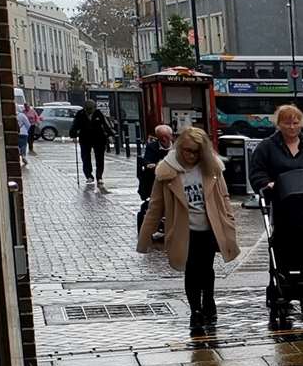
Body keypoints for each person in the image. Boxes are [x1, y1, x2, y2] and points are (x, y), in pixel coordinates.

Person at [136, 126, 239, 331]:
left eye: (196, 152)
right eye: (188, 150)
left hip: (210, 228)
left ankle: (209, 301)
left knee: (206, 269)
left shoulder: (212, 168)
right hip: (184, 229)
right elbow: (155, 206)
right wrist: (144, 238)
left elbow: (224, 197)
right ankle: (196, 310)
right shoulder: (166, 171)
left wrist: (229, 220)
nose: (191, 155)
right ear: (180, 147)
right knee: (191, 270)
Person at [247, 103, 303, 199]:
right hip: (280, 202)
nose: (292, 127)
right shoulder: (265, 148)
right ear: (278, 124)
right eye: (287, 123)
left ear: (301, 124)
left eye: (295, 123)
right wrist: (266, 184)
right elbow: (257, 172)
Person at [137, 124, 174, 235]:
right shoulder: (152, 147)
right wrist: (150, 165)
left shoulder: (177, 147)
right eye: (161, 137)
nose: (164, 139)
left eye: (166, 136)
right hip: (156, 178)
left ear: (170, 136)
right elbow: (146, 160)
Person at [71, 99, 115, 191]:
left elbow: (105, 125)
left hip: (99, 138)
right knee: (85, 157)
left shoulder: (98, 114)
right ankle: (89, 176)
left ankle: (99, 177)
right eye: (88, 109)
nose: (89, 111)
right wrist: (73, 135)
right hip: (85, 138)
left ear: (94, 108)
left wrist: (110, 135)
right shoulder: (80, 114)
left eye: (91, 109)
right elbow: (75, 125)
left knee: (100, 158)